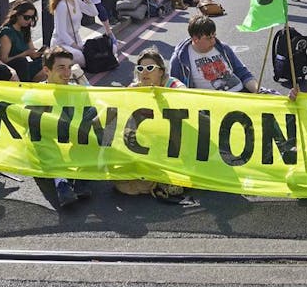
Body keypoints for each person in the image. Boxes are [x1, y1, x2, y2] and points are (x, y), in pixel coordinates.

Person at [113, 48, 197, 204]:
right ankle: (156, 181)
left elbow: (186, 97)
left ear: (161, 71)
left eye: (150, 68)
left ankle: (159, 180)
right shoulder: (135, 87)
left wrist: (161, 95)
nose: (144, 72)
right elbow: (112, 110)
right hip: (150, 142)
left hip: (175, 142)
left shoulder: (172, 84)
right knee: (120, 182)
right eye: (140, 69)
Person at [40, 46, 93, 209]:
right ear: (46, 71)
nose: (67, 73)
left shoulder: (77, 90)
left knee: (93, 126)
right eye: (61, 68)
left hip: (73, 140)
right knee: (42, 138)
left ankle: (81, 178)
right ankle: (61, 183)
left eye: (70, 67)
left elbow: (91, 113)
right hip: (49, 143)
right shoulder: (35, 93)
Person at [168, 15, 260, 92]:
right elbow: (175, 89)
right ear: (195, 39)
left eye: (214, 36)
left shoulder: (223, 48)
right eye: (208, 38)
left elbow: (243, 73)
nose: (213, 41)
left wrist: (258, 91)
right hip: (214, 104)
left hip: (241, 92)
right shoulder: (179, 60)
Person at [49, 0, 101, 67]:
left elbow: (94, 12)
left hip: (76, 40)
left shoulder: (75, 0)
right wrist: (76, 47)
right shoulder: (62, 5)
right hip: (61, 44)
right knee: (80, 56)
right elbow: (61, 32)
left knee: (100, 47)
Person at [0, 0, 47, 82]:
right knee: (22, 62)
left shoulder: (25, 30)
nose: (29, 21)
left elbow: (32, 52)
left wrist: (38, 53)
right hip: (12, 68)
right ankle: (27, 85)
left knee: (49, 62)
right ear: (17, 15)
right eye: (26, 17)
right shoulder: (7, 32)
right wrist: (24, 54)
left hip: (24, 67)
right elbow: (3, 60)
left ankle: (32, 85)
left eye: (32, 18)